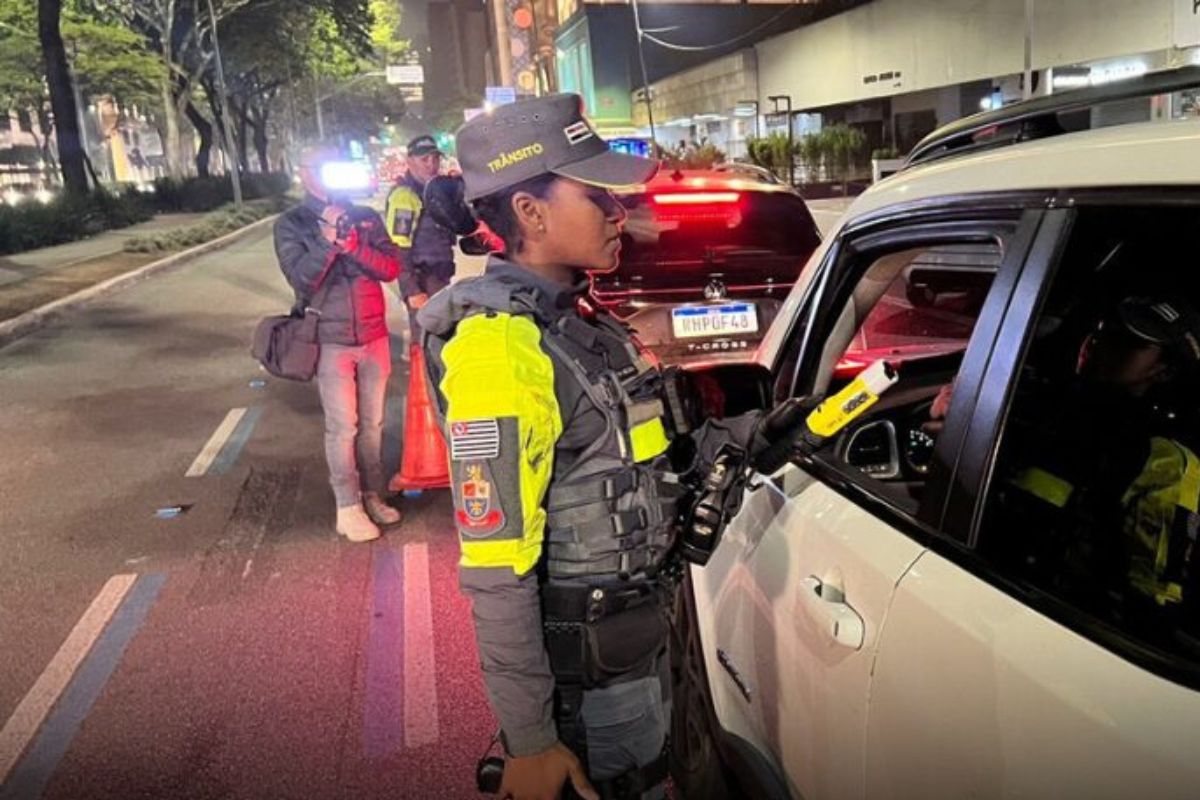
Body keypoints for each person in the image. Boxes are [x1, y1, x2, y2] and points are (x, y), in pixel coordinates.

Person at [418, 95, 758, 800]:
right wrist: (533, 742)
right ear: (530, 214)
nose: (616, 210)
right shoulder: (499, 350)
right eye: (594, 193)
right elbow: (494, 564)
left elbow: (644, 455)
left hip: (645, 638)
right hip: (591, 678)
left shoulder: (580, 320)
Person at [940, 295, 1200, 609]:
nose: (1100, 340)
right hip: (964, 569)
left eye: (1127, 342)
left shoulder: (1164, 459)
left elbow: (1150, 597)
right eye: (1105, 327)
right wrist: (955, 413)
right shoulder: (1027, 396)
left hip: (1042, 607)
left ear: (1164, 371)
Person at [274, 145, 404, 543]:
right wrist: (328, 241)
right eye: (322, 168)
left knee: (373, 425)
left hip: (373, 335)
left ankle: (372, 494)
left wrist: (353, 245)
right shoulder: (292, 223)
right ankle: (347, 507)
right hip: (330, 339)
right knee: (342, 426)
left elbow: (390, 267)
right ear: (304, 173)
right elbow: (301, 279)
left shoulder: (364, 216)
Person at [385, 135, 455, 340]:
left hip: (439, 277)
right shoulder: (405, 196)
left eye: (435, 159)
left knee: (440, 338)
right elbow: (398, 248)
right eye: (424, 160)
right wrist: (412, 290)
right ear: (410, 162)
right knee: (426, 341)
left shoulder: (432, 191)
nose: (431, 165)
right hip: (423, 280)